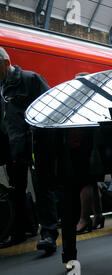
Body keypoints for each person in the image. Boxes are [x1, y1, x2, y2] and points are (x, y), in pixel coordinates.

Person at [0, 47, 54, 249]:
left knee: (43, 188)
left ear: (6, 63)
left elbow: (50, 108)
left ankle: (48, 234)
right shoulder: (1, 87)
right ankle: (19, 231)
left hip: (35, 144)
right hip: (13, 148)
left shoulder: (30, 80)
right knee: (17, 191)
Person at [74, 72, 105, 234]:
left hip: (87, 147)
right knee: (92, 182)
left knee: (84, 182)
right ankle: (98, 215)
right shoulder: (97, 98)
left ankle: (84, 219)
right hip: (95, 147)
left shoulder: (85, 101)